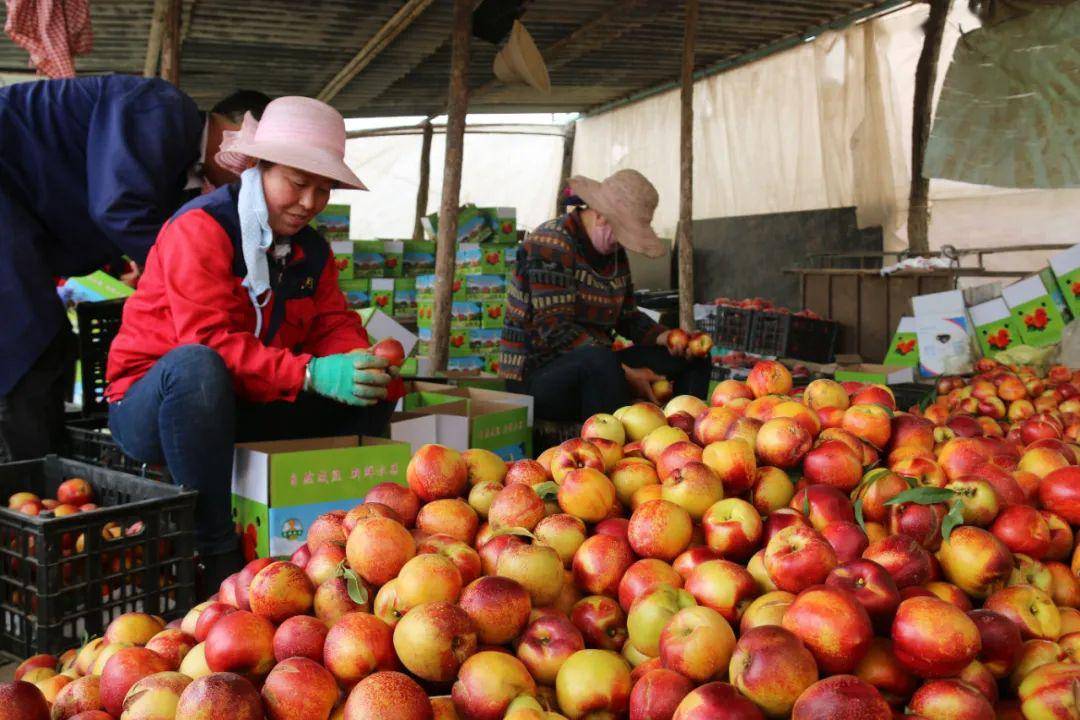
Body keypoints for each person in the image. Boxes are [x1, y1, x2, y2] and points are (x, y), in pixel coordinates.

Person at [105, 96, 399, 593]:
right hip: (155, 408)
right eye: (298, 183)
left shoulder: (312, 249)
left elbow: (331, 320)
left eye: (323, 189)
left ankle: (360, 541)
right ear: (260, 169)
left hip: (244, 399)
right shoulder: (201, 230)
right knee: (197, 367)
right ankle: (214, 552)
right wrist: (309, 374)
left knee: (372, 392)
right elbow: (211, 343)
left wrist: (357, 359)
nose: (309, 202)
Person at [0, 74, 271, 463]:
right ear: (237, 134)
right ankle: (27, 484)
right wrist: (182, 267)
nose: (250, 185)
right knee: (27, 337)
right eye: (257, 167)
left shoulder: (184, 176)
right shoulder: (161, 108)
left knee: (52, 342)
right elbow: (118, 207)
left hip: (25, 211)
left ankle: (49, 471)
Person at [499, 169, 710, 420]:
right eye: (621, 233)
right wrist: (627, 373)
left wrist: (666, 337)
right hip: (537, 376)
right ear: (599, 215)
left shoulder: (614, 254)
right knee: (601, 362)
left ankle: (684, 433)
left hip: (597, 362)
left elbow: (628, 317)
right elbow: (555, 331)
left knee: (695, 359)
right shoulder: (550, 244)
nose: (622, 243)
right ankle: (612, 451)